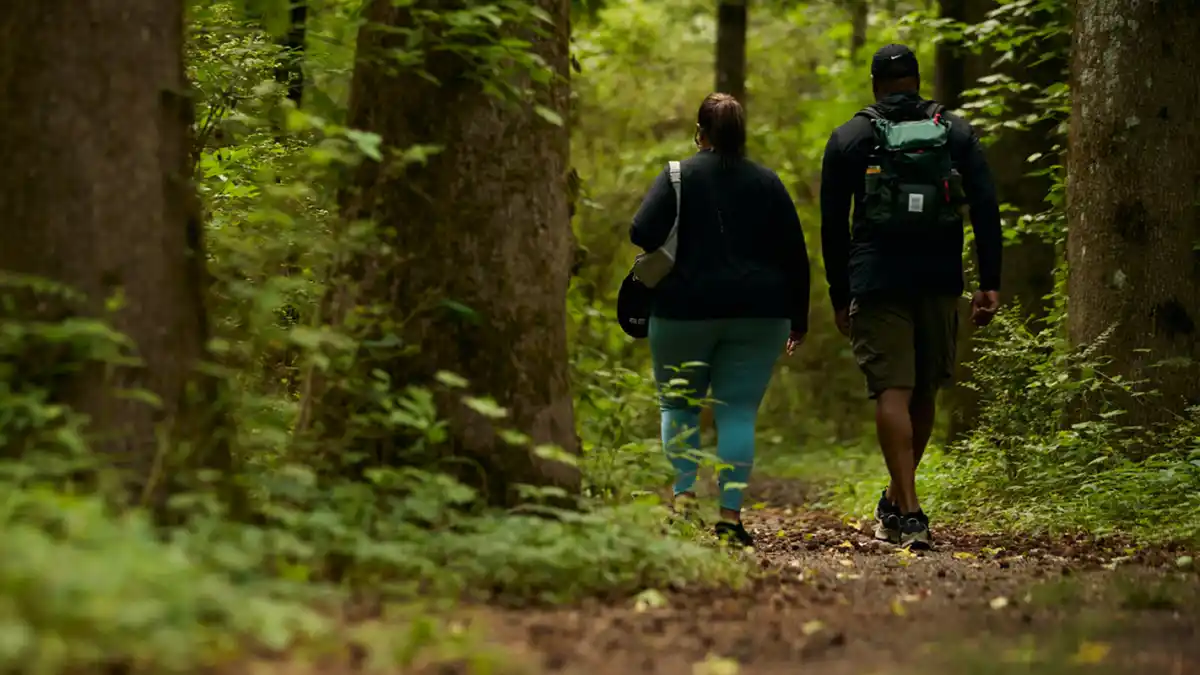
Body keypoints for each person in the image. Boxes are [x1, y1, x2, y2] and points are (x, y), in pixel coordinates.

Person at [819, 44, 1002, 548]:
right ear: (917, 81)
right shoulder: (955, 132)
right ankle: (903, 504)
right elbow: (985, 206)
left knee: (891, 392)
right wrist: (990, 280)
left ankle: (908, 509)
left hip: (877, 279)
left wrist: (840, 294)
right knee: (923, 391)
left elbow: (832, 227)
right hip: (940, 277)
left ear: (876, 83)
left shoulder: (851, 138)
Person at [630, 92, 810, 549]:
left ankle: (685, 503)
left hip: (683, 309)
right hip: (760, 313)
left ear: (700, 133)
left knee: (678, 406)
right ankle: (730, 519)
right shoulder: (768, 183)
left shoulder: (678, 177)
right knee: (739, 413)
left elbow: (642, 232)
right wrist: (798, 318)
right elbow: (795, 254)